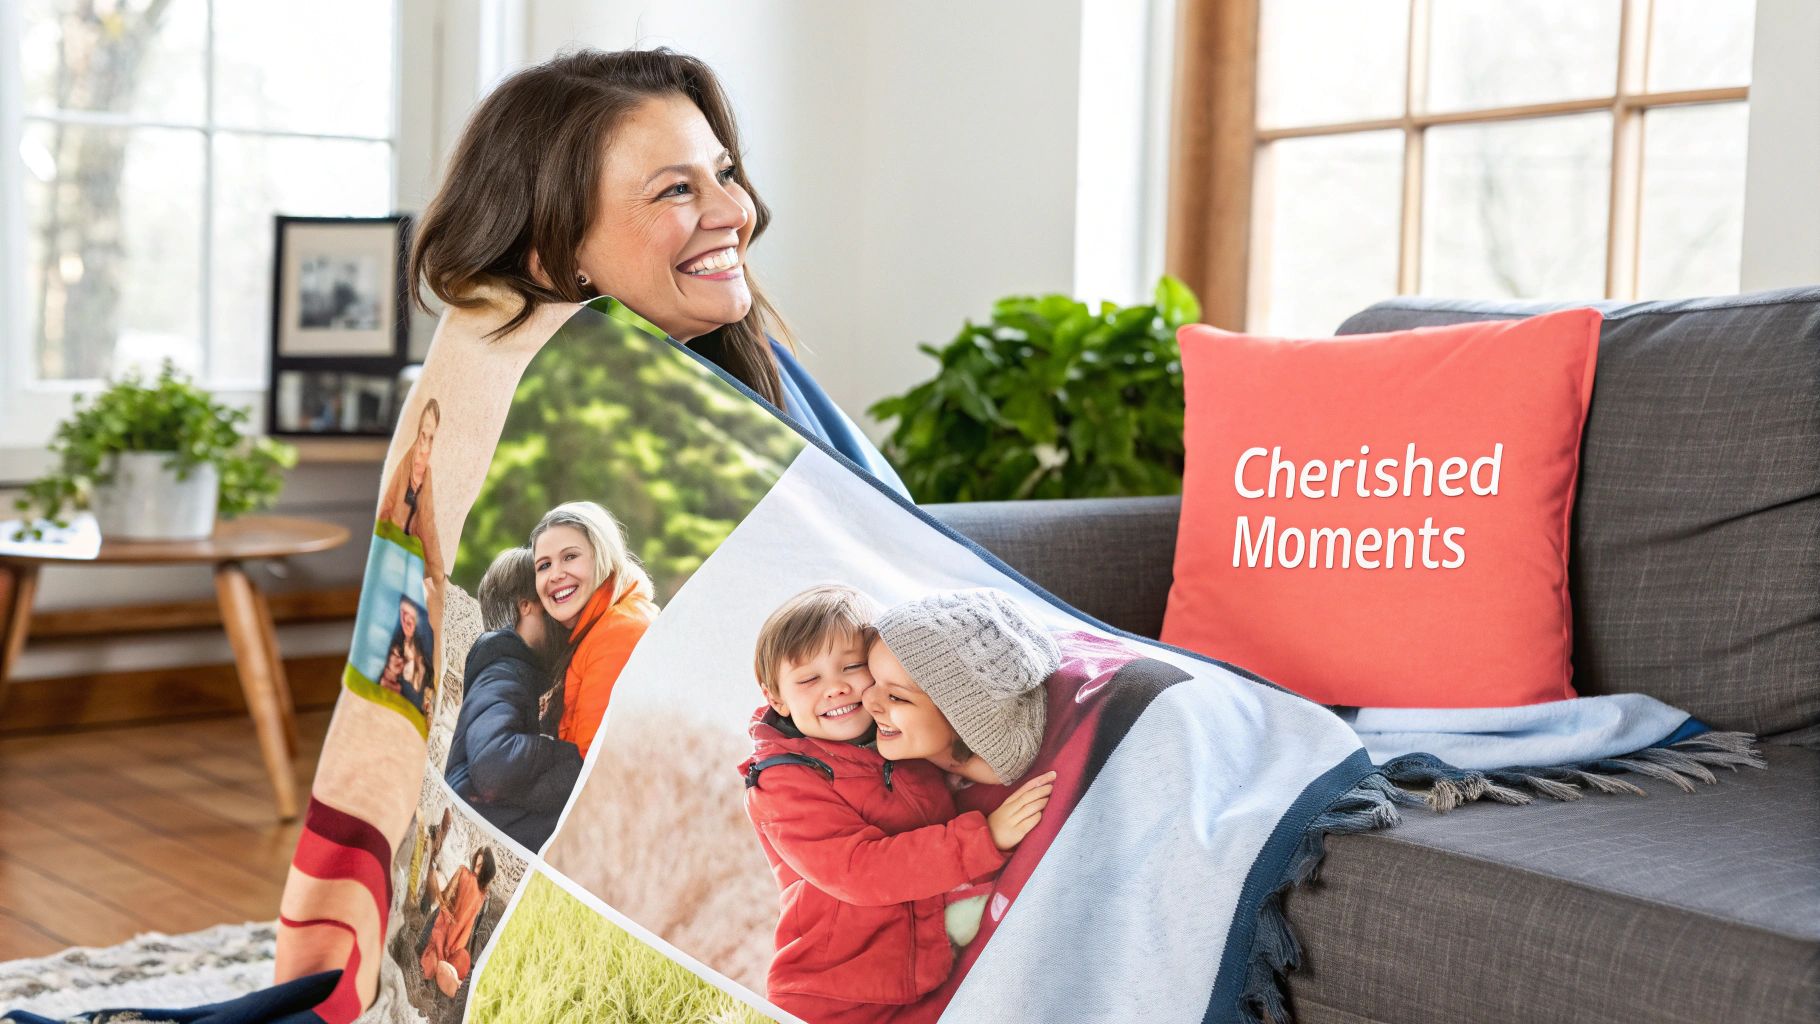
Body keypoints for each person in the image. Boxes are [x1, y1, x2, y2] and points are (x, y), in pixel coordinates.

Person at [409, 48, 909, 498]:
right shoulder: (568, 445)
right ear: (556, 257)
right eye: (676, 190)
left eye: (725, 173)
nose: (737, 212)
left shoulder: (757, 361)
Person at [740, 584, 1056, 1024]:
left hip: (925, 975)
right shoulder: (783, 783)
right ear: (776, 698)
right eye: (810, 679)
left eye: (852, 667)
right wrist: (984, 837)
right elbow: (861, 872)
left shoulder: (893, 742)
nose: (836, 688)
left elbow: (962, 756)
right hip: (836, 993)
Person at [445, 547, 583, 851]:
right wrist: (573, 758)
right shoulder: (503, 673)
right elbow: (495, 763)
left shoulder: (524, 673)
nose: (564, 617)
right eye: (553, 598)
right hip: (485, 840)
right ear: (526, 606)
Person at [529, 501, 659, 761]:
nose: (555, 574)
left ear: (602, 556)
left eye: (570, 557)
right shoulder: (596, 628)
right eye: (544, 565)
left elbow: (592, 764)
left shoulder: (618, 633)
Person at [417, 843, 496, 998]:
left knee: (460, 962)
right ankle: (438, 972)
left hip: (460, 940)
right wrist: (447, 918)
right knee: (429, 965)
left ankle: (446, 977)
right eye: (476, 864)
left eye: (480, 866)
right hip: (445, 926)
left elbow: (473, 924)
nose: (476, 869)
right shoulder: (463, 872)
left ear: (486, 870)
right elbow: (446, 898)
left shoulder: (483, 896)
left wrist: (461, 942)